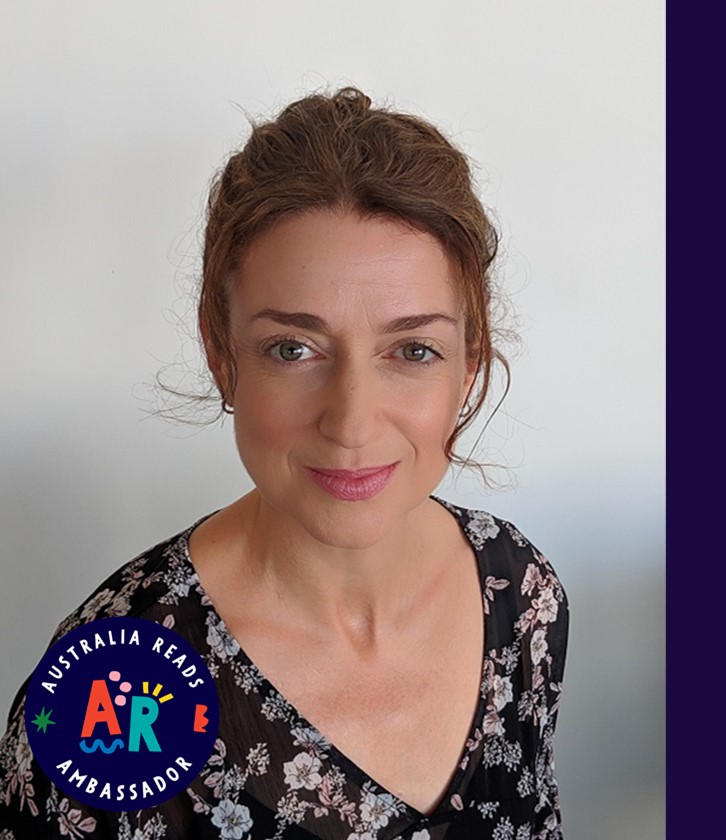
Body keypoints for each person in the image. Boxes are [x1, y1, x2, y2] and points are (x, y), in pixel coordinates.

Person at [0, 88, 567, 839]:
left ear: (469, 366)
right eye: (293, 349)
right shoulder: (112, 690)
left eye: (413, 350)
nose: (352, 422)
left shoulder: (521, 595)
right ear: (221, 355)